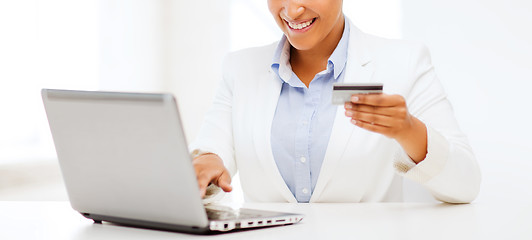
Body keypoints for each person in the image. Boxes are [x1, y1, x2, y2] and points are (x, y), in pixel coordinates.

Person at [189, 0, 481, 203]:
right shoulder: (239, 68)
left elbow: (465, 185)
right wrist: (207, 162)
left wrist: (409, 131)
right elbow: (212, 152)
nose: (292, 10)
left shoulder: (405, 63)